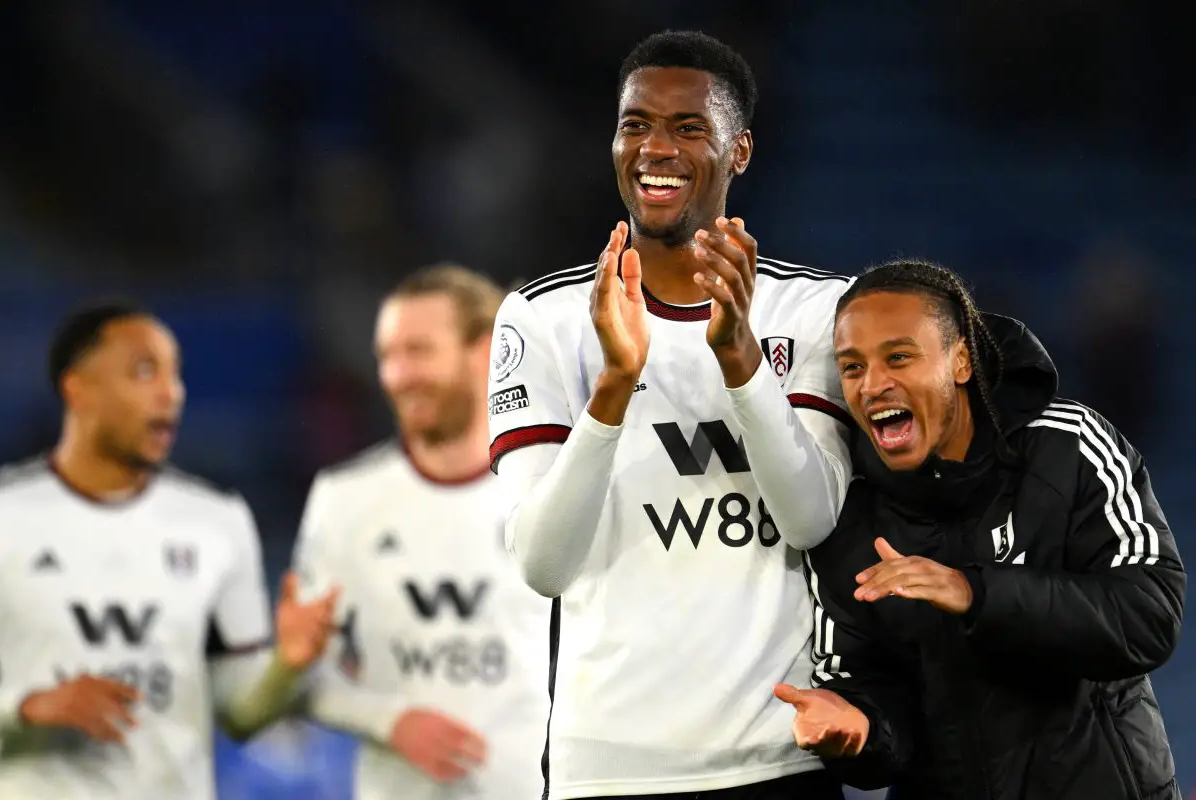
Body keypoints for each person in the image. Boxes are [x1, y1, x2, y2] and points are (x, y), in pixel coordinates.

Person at [487, 29, 854, 800]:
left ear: (740, 151)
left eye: (689, 128)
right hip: (610, 766)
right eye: (636, 124)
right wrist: (615, 386)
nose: (657, 147)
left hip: (774, 757)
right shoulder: (542, 316)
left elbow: (809, 519)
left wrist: (740, 361)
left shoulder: (815, 308)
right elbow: (543, 564)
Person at [774, 260, 1184, 798]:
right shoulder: (847, 510)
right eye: (852, 367)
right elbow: (867, 696)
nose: (873, 385)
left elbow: (1149, 615)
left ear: (962, 359)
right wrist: (861, 731)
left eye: (898, 357)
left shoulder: (1068, 447)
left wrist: (976, 592)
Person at [0, 302, 339, 799]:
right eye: (143, 373)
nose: (169, 393)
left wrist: (288, 663)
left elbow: (240, 715)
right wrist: (25, 709)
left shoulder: (218, 523)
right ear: (78, 389)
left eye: (174, 376)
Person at [293, 265, 553, 800]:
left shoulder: (555, 485)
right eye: (387, 356)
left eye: (418, 351)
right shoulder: (343, 498)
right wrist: (390, 721)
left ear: (485, 351)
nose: (397, 375)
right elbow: (303, 674)